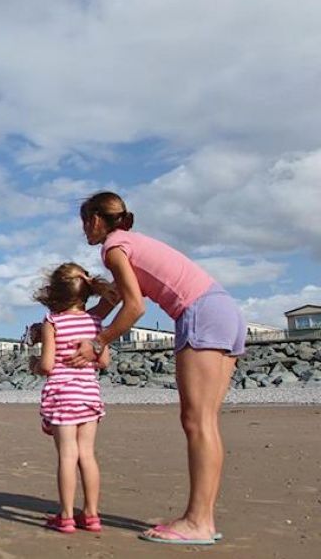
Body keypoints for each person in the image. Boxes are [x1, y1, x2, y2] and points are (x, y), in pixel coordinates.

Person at [68, 191, 245, 545]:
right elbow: (114, 299)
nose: (84, 229)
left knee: (196, 422)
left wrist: (99, 343)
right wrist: (80, 321)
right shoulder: (129, 243)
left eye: (85, 221)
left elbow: (134, 308)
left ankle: (198, 522)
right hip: (224, 310)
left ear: (97, 220)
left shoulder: (114, 248)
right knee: (204, 422)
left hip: (200, 314)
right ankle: (203, 519)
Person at [33, 263, 111, 534]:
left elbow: (46, 365)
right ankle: (91, 514)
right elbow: (104, 361)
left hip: (62, 396)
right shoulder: (96, 323)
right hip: (88, 394)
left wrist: (34, 363)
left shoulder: (52, 322)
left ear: (55, 293)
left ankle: (66, 515)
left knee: (67, 456)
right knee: (87, 455)